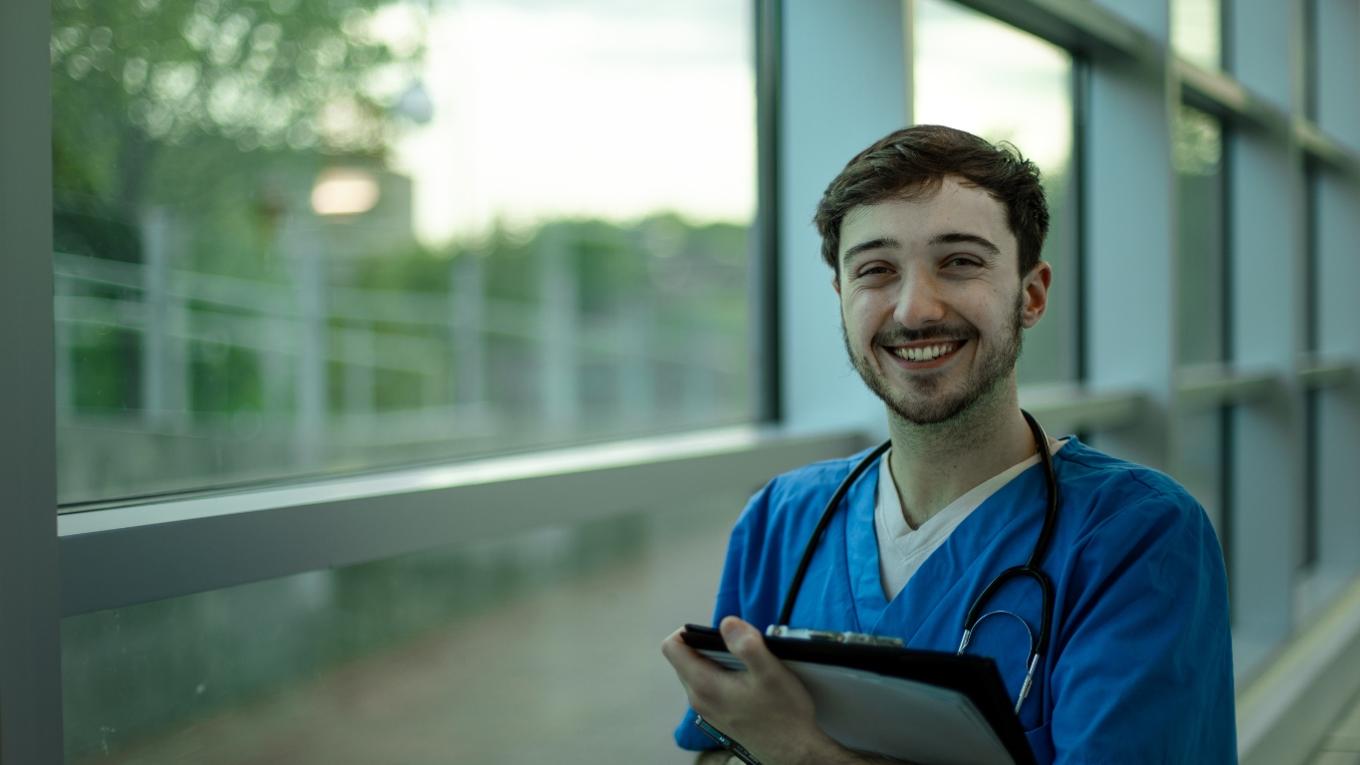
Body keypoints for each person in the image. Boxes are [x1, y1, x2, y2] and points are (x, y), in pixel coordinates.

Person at [661, 125, 1237, 764]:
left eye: (960, 261)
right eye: (875, 271)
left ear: (1032, 294)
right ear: (843, 299)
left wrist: (796, 751)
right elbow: (715, 749)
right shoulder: (784, 517)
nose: (914, 310)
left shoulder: (1136, 534)